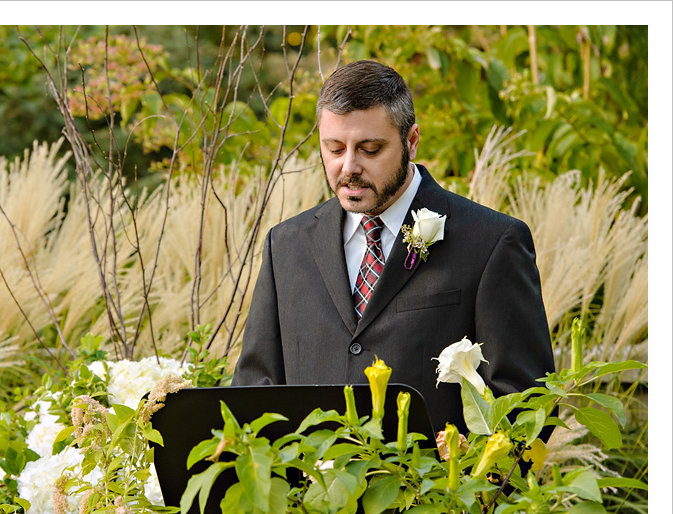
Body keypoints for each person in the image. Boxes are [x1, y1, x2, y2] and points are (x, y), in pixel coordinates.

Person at [232, 60, 554, 439]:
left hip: (437, 494)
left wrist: (465, 487)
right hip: (310, 495)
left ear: (411, 140)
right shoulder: (285, 246)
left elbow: (527, 403)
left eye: (370, 149)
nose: (348, 167)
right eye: (334, 149)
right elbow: (255, 390)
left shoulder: (492, 242)